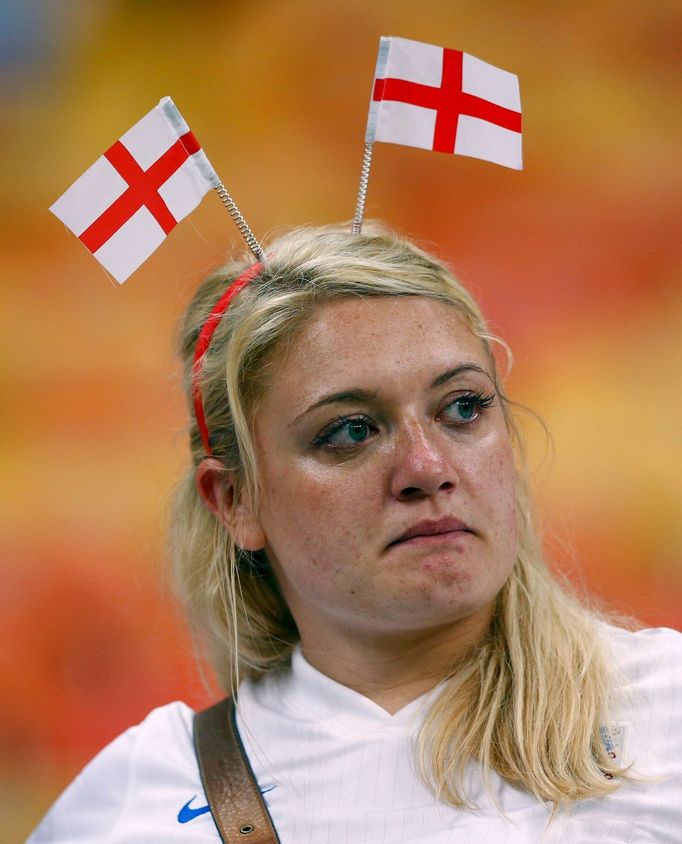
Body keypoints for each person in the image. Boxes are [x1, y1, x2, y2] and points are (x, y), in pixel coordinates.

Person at [29, 223, 681, 842]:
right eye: (350, 430)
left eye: (462, 408)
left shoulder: (665, 713)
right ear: (235, 501)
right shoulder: (138, 800)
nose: (428, 468)